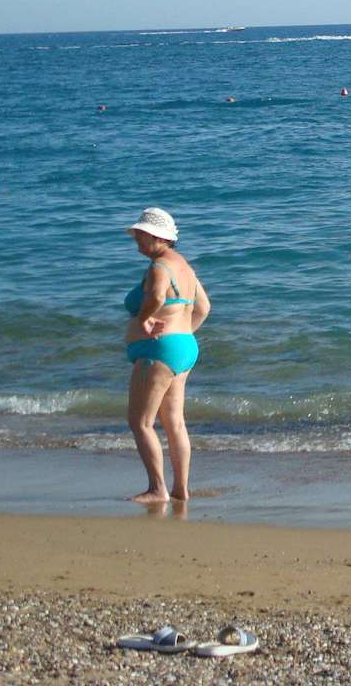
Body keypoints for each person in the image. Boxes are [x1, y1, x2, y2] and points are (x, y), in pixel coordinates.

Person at [123, 207, 209, 502]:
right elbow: (204, 308)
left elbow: (157, 297)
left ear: (157, 237)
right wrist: (182, 335)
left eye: (141, 235)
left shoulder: (159, 267)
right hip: (183, 347)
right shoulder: (185, 268)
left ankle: (157, 489)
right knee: (174, 422)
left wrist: (145, 319)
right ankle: (180, 489)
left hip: (159, 351)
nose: (136, 240)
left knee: (141, 422)